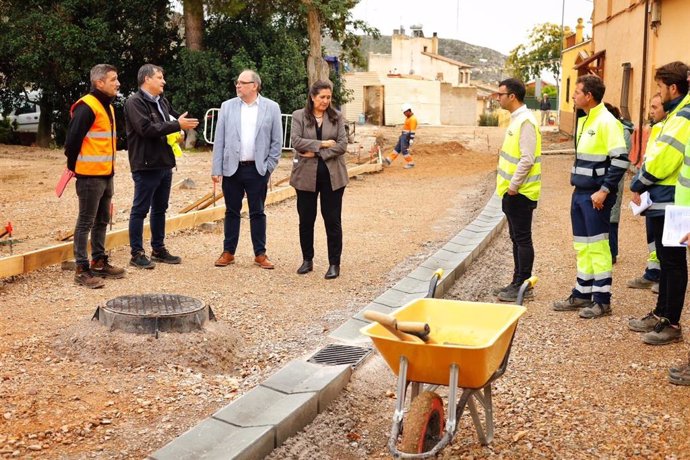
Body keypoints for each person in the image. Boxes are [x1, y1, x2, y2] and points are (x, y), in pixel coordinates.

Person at [552, 75, 629, 319]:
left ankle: (602, 300)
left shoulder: (607, 122)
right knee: (582, 246)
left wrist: (604, 190)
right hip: (580, 193)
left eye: (577, 91)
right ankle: (583, 293)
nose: (573, 95)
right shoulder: (585, 120)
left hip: (596, 196)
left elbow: (620, 160)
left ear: (589, 96)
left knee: (598, 247)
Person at [628, 61, 690, 345]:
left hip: (674, 201)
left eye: (660, 87)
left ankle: (671, 322)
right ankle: (661, 314)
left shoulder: (682, 117)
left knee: (673, 263)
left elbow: (666, 159)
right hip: (666, 200)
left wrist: (640, 182)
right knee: (666, 262)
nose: (659, 93)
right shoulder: (676, 114)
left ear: (672, 88)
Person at [124, 64, 199, 269]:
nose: (163, 81)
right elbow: (146, 129)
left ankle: (158, 249)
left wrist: (181, 130)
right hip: (146, 164)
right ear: (147, 79)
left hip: (164, 164)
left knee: (160, 209)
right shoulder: (134, 102)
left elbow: (174, 120)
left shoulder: (162, 101)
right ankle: (136, 253)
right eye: (159, 77)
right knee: (140, 210)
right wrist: (177, 126)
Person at [212, 69, 282, 269]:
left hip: (257, 169)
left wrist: (268, 168)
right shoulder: (227, 107)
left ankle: (260, 254)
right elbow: (219, 141)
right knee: (231, 212)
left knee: (257, 212)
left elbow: (277, 142)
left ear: (255, 85)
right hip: (232, 169)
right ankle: (228, 252)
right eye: (237, 82)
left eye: (242, 82)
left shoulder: (272, 108)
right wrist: (217, 169)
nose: (238, 85)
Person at [65, 64, 125, 288]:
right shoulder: (87, 106)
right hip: (90, 176)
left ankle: (98, 261)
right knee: (85, 222)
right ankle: (82, 269)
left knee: (102, 220)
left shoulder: (107, 106)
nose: (117, 83)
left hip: (106, 174)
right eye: (113, 79)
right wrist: (75, 167)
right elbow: (71, 142)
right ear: (99, 83)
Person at [289, 80, 348, 279]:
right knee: (306, 219)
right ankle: (307, 260)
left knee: (332, 220)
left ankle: (334, 263)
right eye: (322, 97)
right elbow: (296, 141)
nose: (325, 101)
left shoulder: (337, 117)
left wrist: (314, 153)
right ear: (312, 97)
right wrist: (322, 143)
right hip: (305, 176)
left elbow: (341, 145)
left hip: (333, 177)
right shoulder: (299, 116)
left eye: (328, 97)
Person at [491, 78, 541, 302]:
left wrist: (513, 187)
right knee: (516, 238)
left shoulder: (526, 122)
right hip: (512, 192)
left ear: (512, 96)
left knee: (522, 239)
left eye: (500, 94)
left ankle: (523, 285)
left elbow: (527, 159)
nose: (497, 97)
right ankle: (516, 282)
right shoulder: (517, 120)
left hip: (520, 193)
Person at [627, 94, 667, 291]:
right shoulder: (656, 128)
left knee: (666, 240)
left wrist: (638, 185)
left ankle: (665, 279)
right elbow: (648, 160)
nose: (651, 111)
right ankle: (653, 272)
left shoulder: (670, 129)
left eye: (654, 107)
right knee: (652, 235)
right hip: (651, 190)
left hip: (664, 192)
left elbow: (660, 164)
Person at [603, 103, 634, 265]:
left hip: (615, 179)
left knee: (612, 216)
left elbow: (622, 157)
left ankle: (612, 251)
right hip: (601, 179)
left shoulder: (623, 132)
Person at [382, 103, 417, 169]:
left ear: (408, 111)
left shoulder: (413, 119)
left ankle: (411, 163)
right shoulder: (408, 118)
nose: (404, 114)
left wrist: (411, 139)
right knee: (397, 149)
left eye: (405, 112)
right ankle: (389, 160)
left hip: (407, 136)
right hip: (403, 135)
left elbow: (412, 130)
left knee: (404, 150)